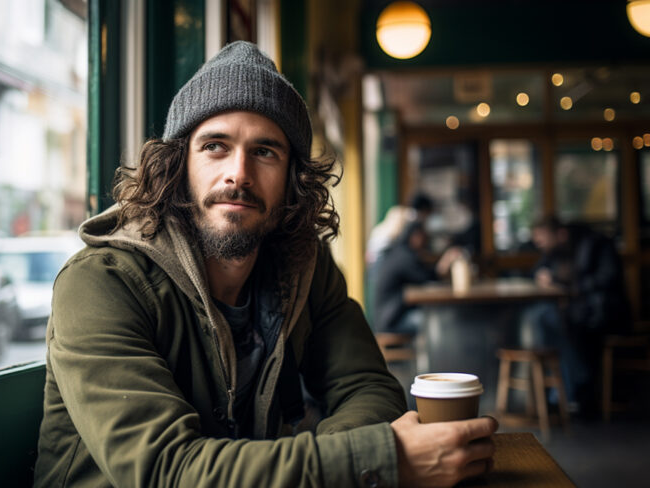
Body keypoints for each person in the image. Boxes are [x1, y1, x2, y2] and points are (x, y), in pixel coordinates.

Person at [33, 41, 497, 487]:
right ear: (177, 166)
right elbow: (168, 473)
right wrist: (377, 460)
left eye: (264, 151)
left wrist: (342, 466)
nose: (238, 173)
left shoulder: (305, 266)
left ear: (293, 178)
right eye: (215, 146)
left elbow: (369, 390)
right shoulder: (99, 284)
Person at [526, 216, 630, 414]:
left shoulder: (597, 244)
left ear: (561, 234)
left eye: (542, 240)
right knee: (541, 316)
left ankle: (568, 388)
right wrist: (542, 275)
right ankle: (565, 389)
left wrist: (562, 282)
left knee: (546, 317)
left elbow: (607, 279)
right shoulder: (556, 249)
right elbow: (539, 269)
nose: (540, 246)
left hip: (604, 313)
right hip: (578, 311)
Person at [373, 221, 463, 334]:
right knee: (435, 321)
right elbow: (425, 278)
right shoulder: (404, 256)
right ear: (416, 236)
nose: (426, 240)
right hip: (391, 321)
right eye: (424, 236)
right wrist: (443, 265)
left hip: (387, 317)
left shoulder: (398, 252)